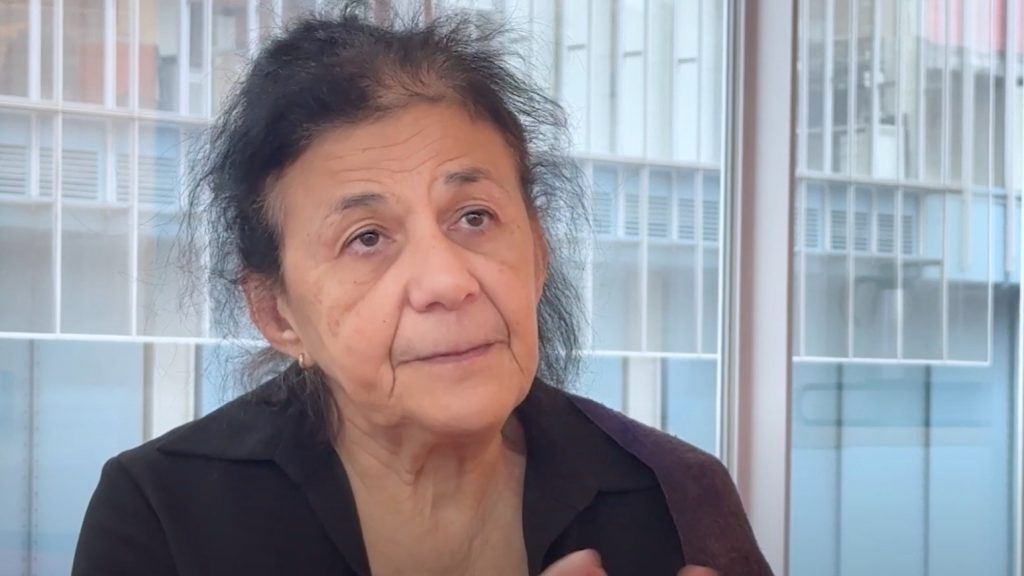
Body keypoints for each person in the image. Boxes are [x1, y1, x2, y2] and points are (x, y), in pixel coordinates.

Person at [71, 3, 771, 575]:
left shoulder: (676, 493)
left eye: (475, 217)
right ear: (277, 313)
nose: (447, 281)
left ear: (538, 252)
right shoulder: (165, 513)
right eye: (366, 238)